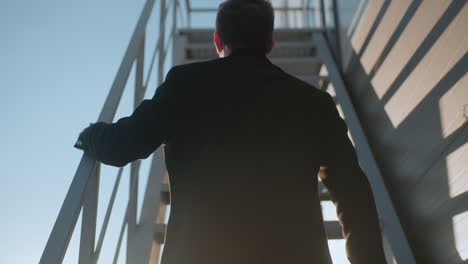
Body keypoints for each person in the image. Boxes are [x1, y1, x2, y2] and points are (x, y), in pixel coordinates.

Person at [75, 0, 387, 263]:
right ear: (270, 43)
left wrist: (91, 134)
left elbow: (124, 145)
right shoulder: (314, 102)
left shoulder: (186, 84)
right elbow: (353, 194)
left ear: (217, 40)